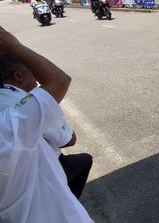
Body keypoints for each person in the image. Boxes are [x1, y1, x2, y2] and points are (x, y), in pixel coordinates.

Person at [0, 25, 93, 222]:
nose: (36, 78)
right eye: (31, 71)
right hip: (56, 211)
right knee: (82, 161)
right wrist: (14, 46)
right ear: (18, 76)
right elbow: (59, 80)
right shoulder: (10, 123)